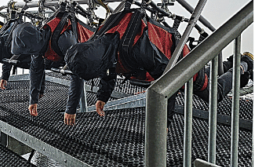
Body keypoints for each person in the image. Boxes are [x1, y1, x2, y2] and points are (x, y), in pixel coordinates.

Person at [63, 7, 252, 122]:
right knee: (206, 73)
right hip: (162, 61)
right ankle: (230, 63)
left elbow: (166, 83)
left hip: (177, 61)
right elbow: (109, 67)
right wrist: (102, 96)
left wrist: (164, 124)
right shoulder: (102, 42)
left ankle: (243, 64)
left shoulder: (136, 48)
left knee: (214, 93)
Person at [9, 13, 95, 126]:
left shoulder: (63, 40)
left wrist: (71, 108)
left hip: (91, 57)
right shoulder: (38, 43)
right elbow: (35, 69)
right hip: (69, 58)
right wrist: (33, 99)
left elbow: (78, 73)